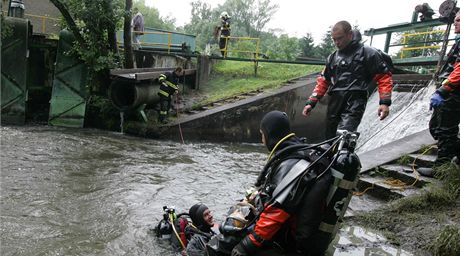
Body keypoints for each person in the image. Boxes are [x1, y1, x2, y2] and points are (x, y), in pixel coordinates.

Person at [231, 110, 335, 256]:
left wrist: (247, 246)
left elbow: (276, 211)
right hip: (300, 230)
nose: (262, 140)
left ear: (269, 134)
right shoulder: (297, 152)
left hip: (291, 243)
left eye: (262, 134)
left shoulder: (291, 165)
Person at [302, 20, 393, 140]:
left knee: (344, 136)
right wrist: (311, 102)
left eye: (339, 38)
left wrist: (384, 102)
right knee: (330, 136)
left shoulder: (368, 53)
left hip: (355, 100)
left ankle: (345, 156)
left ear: (350, 35)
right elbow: (324, 80)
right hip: (335, 100)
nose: (336, 42)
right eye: (334, 39)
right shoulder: (333, 57)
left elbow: (384, 77)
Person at [419, 12, 460, 176]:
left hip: (454, 92)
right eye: (455, 20)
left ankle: (441, 169)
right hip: (451, 91)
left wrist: (443, 90)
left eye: (459, 20)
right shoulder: (458, 42)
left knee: (444, 129)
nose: (456, 23)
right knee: (436, 127)